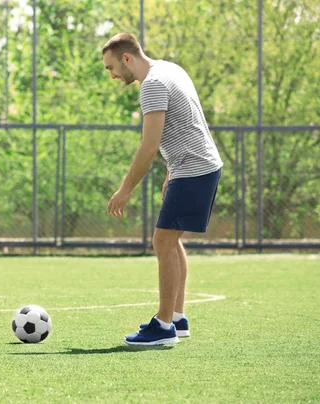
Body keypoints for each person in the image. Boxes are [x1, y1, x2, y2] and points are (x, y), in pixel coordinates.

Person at [102, 33, 223, 345]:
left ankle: (164, 326)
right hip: (195, 166)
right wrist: (172, 169)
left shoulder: (153, 85)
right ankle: (178, 319)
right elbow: (186, 122)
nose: (112, 75)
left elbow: (150, 144)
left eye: (111, 67)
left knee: (162, 241)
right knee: (170, 238)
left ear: (126, 58)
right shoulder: (170, 69)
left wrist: (125, 188)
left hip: (194, 168)